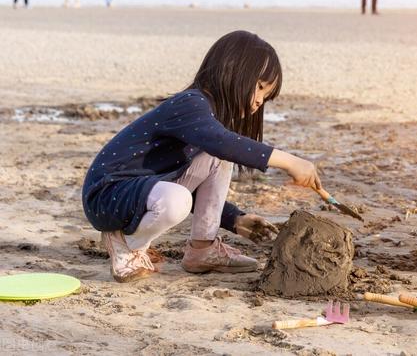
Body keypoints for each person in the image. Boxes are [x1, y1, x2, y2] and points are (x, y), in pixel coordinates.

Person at [82, 30, 323, 283]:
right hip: (108, 195)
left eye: (266, 97)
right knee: (190, 185)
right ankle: (125, 243)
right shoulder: (191, 103)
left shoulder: (206, 117)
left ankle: (203, 248)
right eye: (260, 88)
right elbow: (219, 147)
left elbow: (187, 183)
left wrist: (234, 219)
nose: (259, 102)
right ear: (232, 70)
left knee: (217, 158)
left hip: (141, 193)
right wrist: (291, 161)